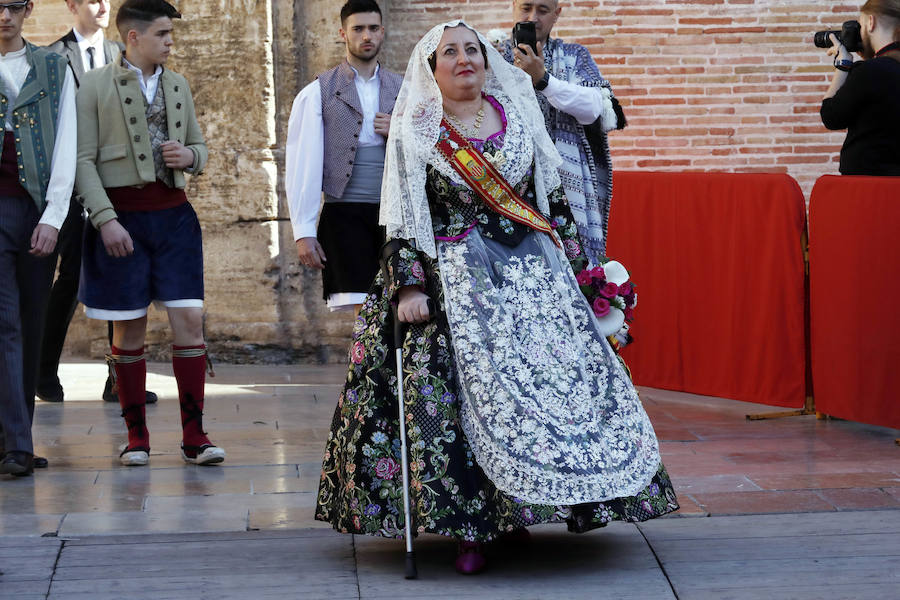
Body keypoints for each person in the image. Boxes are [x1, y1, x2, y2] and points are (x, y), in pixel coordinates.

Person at [315, 21, 678, 575]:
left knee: (551, 393)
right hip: (455, 279)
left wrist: (587, 278)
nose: (465, 60)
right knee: (468, 398)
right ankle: (471, 529)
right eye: (450, 53)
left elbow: (552, 205)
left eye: (473, 51)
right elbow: (404, 216)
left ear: (488, 62)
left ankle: (520, 510)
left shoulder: (520, 117)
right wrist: (409, 285)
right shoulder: (417, 130)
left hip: (533, 275)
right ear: (430, 69)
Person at [76, 0, 223, 467]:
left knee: (189, 323)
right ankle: (136, 437)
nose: (170, 42)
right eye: (163, 34)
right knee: (130, 328)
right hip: (124, 218)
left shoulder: (178, 85)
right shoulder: (95, 85)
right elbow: (81, 161)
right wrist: (105, 219)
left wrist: (191, 158)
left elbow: (200, 146)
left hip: (176, 218)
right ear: (133, 37)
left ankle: (194, 436)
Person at [39, 0, 158, 407]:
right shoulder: (53, 57)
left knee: (122, 275)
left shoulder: (121, 55)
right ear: (72, 5)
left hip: (117, 184)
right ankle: (43, 371)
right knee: (71, 276)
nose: (103, 6)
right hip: (73, 181)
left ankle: (118, 379)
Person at [285, 0, 402, 314]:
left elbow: (431, 149)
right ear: (343, 33)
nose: (367, 36)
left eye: (373, 28)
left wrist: (400, 130)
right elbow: (303, 163)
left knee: (401, 306)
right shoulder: (317, 92)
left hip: (396, 214)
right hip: (344, 214)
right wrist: (304, 231)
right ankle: (362, 366)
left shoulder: (404, 88)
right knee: (362, 311)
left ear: (383, 32)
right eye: (358, 29)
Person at [0, 0, 76, 476]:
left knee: (30, 322)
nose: (2, 15)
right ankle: (17, 445)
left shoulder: (53, 66)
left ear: (27, 9)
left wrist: (54, 215)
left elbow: (69, 140)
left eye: (11, 5)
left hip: (36, 209)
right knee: (4, 323)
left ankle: (15, 438)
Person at [497, 0, 626, 266]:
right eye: (526, 8)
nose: (533, 17)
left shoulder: (575, 56)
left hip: (567, 185)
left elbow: (595, 108)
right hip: (506, 187)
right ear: (513, 7)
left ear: (557, 14)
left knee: (576, 268)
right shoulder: (491, 56)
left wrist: (543, 79)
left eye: (543, 10)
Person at [820, 0, 900, 176]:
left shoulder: (869, 72)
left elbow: (831, 116)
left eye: (861, 24)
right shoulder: (876, 69)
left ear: (871, 22)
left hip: (867, 188)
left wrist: (843, 65)